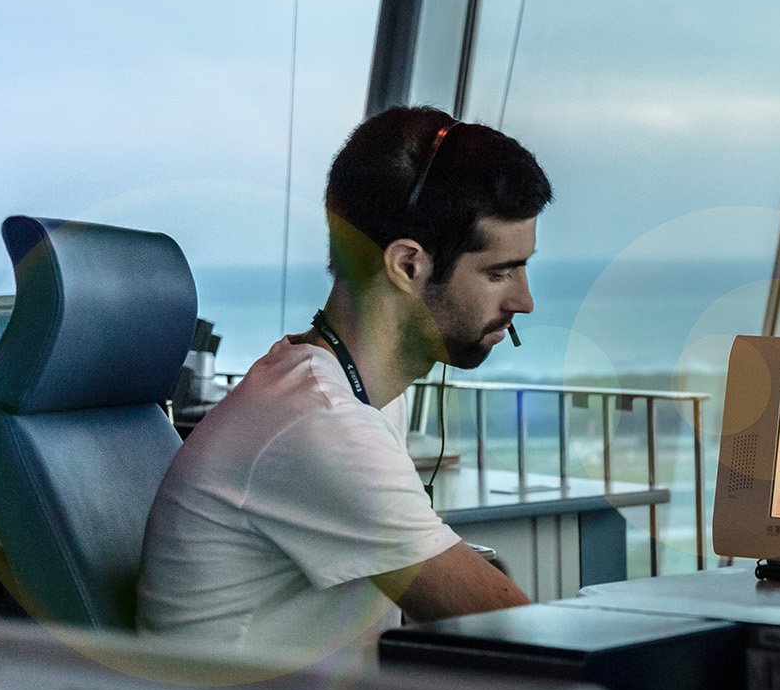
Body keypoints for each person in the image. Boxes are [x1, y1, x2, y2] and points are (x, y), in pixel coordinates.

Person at [138, 106, 550, 653]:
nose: (524, 301)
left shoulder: (348, 393)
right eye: (499, 273)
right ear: (407, 266)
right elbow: (510, 630)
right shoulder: (317, 422)